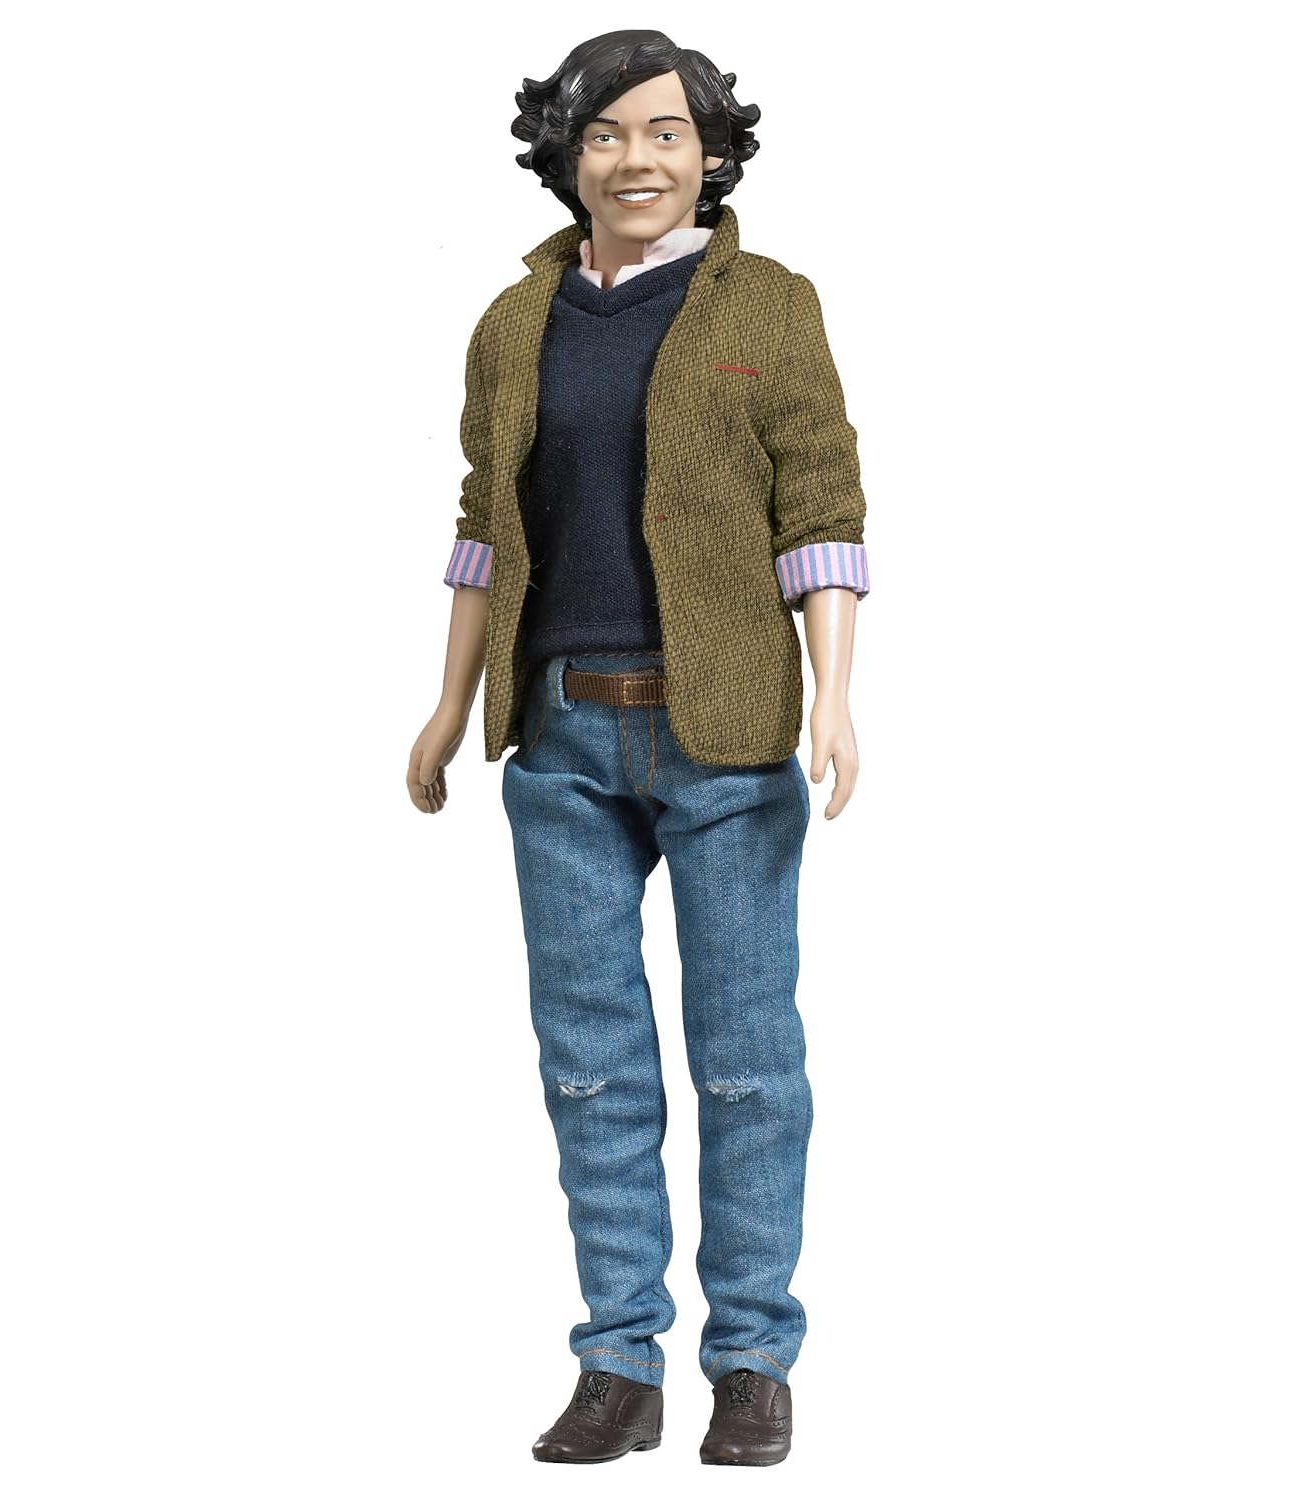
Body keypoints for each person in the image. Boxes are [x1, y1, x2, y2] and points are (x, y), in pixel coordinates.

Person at [406, 29, 870, 1466]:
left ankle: (752, 1361)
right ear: (564, 155)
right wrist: (447, 705)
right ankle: (619, 1361)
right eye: (604, 133)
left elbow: (821, 503)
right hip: (558, 733)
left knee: (748, 1061)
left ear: (712, 152)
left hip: (724, 730)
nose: (635, 160)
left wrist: (836, 693)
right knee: (590, 1064)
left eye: (666, 132)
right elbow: (487, 520)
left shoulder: (768, 305)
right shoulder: (514, 322)